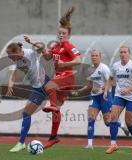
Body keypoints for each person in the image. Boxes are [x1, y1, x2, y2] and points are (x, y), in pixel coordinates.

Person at [24, 6, 82, 149]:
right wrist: (33, 43)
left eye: (63, 33)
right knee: (58, 109)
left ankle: (53, 106)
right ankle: (53, 136)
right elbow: (47, 55)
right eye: (59, 33)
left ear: (68, 35)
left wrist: (64, 64)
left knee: (48, 85)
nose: (60, 35)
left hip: (67, 78)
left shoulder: (69, 46)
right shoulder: (56, 46)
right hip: (60, 80)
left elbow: (79, 61)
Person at [72, 49, 129, 150]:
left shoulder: (104, 68)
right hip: (95, 97)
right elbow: (89, 85)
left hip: (105, 97)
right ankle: (90, 144)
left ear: (100, 57)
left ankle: (121, 125)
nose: (94, 57)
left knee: (108, 123)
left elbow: (111, 82)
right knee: (91, 118)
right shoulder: (89, 70)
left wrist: (100, 89)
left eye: (96, 55)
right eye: (92, 55)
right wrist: (78, 92)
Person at [7, 41, 50, 152]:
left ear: (17, 52)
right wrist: (10, 86)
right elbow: (12, 75)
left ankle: (21, 143)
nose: (9, 57)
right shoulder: (15, 61)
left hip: (44, 84)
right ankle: (21, 143)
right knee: (26, 113)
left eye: (10, 55)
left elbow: (42, 47)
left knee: (26, 113)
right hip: (37, 87)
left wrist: (32, 42)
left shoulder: (30, 53)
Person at [104, 45, 132, 154]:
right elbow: (111, 79)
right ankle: (113, 144)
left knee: (128, 122)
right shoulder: (116, 65)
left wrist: (129, 89)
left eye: (125, 52)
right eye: (121, 52)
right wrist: (105, 91)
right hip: (119, 96)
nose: (122, 54)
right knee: (113, 117)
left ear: (129, 54)